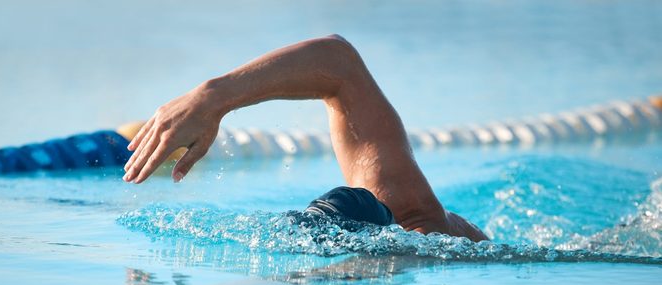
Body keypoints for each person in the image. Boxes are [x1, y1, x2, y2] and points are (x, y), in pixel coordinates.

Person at [121, 35, 488, 242]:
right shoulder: (397, 197)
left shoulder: (419, 219)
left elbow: (340, 59)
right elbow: (340, 64)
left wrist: (215, 95)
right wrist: (213, 96)